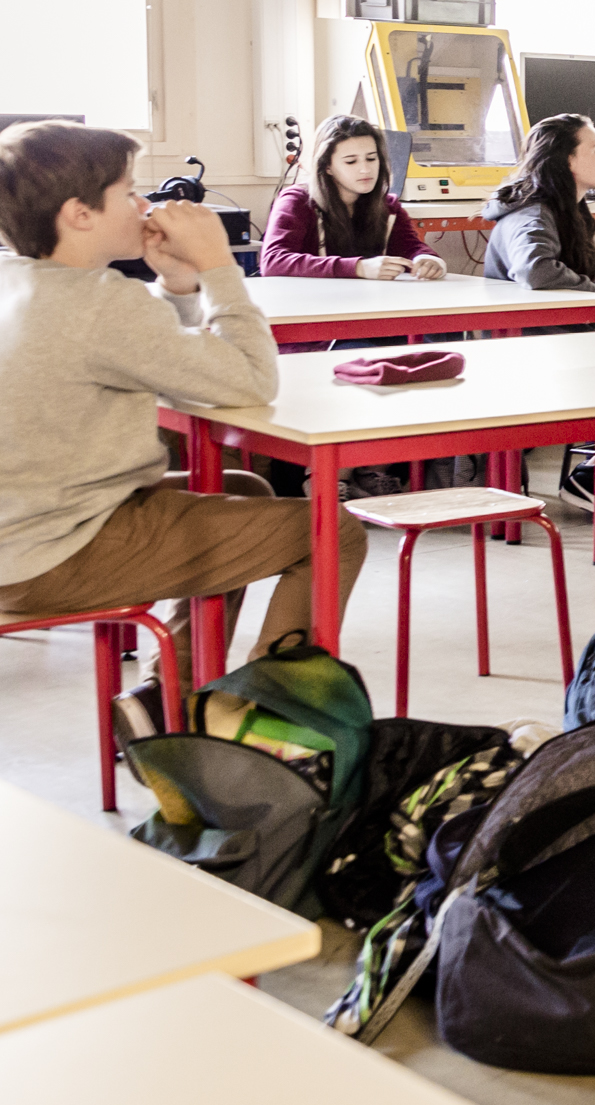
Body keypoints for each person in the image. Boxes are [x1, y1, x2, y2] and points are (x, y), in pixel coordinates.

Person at [0, 121, 366, 716]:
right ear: (80, 214)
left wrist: (177, 284)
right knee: (331, 532)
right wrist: (221, 268)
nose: (144, 204)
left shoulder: (21, 281)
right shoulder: (101, 303)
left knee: (239, 487)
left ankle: (167, 696)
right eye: (127, 191)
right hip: (53, 553)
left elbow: (154, 356)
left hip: (20, 532)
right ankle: (257, 715)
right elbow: (249, 379)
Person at [260, 116, 445, 281]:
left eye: (371, 159)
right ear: (327, 167)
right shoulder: (296, 201)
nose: (365, 169)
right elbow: (273, 261)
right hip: (311, 308)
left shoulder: (388, 206)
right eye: (351, 161)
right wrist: (358, 267)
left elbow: (410, 247)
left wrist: (427, 259)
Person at [480, 113, 595, 291]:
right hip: (530, 318)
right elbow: (534, 271)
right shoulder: (532, 213)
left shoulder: (569, 207)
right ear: (566, 159)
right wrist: (591, 291)